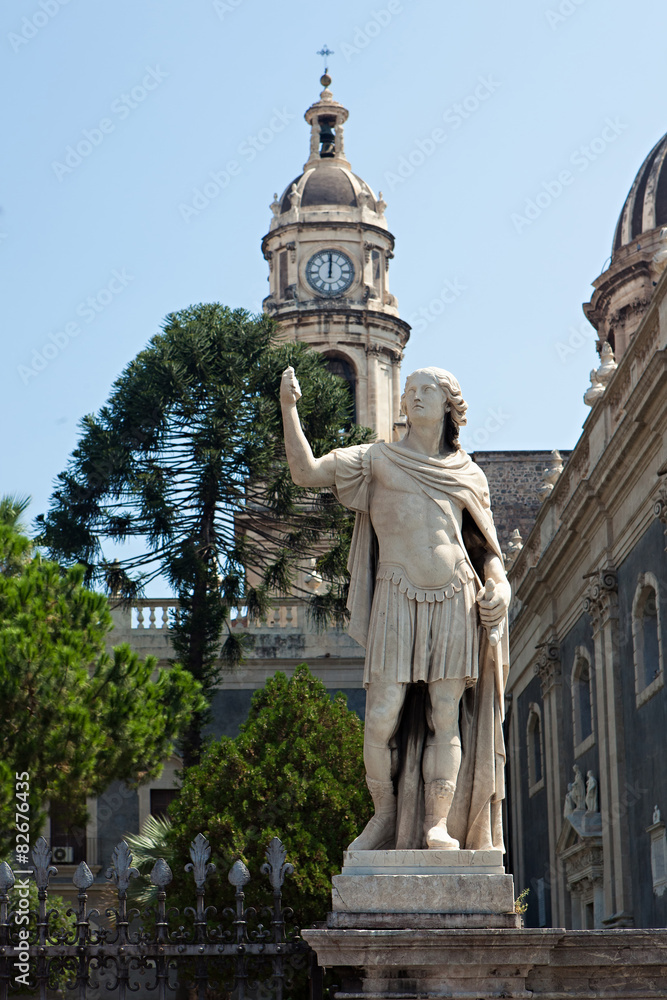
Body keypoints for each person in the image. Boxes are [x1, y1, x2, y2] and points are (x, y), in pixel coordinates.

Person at [280, 365, 511, 851]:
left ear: (449, 404)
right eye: (409, 390)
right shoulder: (375, 460)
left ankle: (437, 825)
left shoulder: (469, 473)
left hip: (455, 597)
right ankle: (384, 815)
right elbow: (305, 472)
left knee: (445, 714)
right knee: (382, 714)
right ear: (401, 404)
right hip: (395, 596)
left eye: (427, 389)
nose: (415, 395)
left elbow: (487, 549)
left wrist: (499, 585)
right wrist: (289, 409)